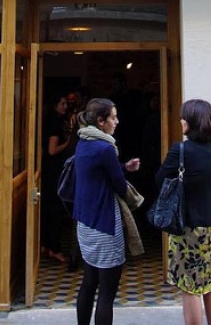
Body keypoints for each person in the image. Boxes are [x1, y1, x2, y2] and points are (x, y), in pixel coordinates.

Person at [157, 99, 211, 325]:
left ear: (191, 122)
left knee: (190, 288)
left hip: (188, 225)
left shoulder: (181, 150)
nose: (180, 120)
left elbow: (160, 179)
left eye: (183, 117)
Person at [72, 97, 141, 325]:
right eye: (113, 117)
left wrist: (122, 167)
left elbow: (98, 174)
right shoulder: (105, 148)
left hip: (85, 223)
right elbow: (119, 184)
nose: (117, 121)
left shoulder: (83, 142)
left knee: (89, 282)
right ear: (101, 122)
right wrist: (124, 174)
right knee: (107, 294)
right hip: (105, 224)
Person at [41, 94, 72, 264]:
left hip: (49, 171)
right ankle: (54, 248)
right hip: (53, 172)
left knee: (48, 210)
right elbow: (52, 150)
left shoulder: (49, 121)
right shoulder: (55, 124)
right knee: (54, 211)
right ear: (55, 106)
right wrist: (68, 143)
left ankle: (46, 246)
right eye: (62, 103)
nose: (65, 106)